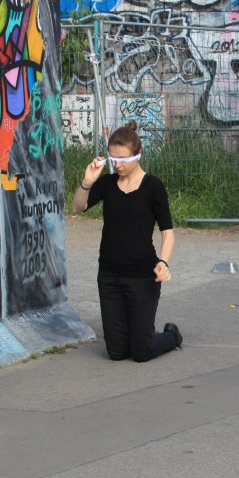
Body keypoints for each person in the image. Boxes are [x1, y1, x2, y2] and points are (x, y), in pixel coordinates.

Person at [70, 122, 183, 362]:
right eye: (113, 159)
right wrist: (87, 182)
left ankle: (172, 336)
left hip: (142, 277)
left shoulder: (153, 186)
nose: (117, 165)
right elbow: (77, 207)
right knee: (117, 352)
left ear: (138, 155)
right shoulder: (108, 183)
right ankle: (137, 334)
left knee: (141, 352)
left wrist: (163, 262)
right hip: (109, 276)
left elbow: (168, 233)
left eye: (123, 159)